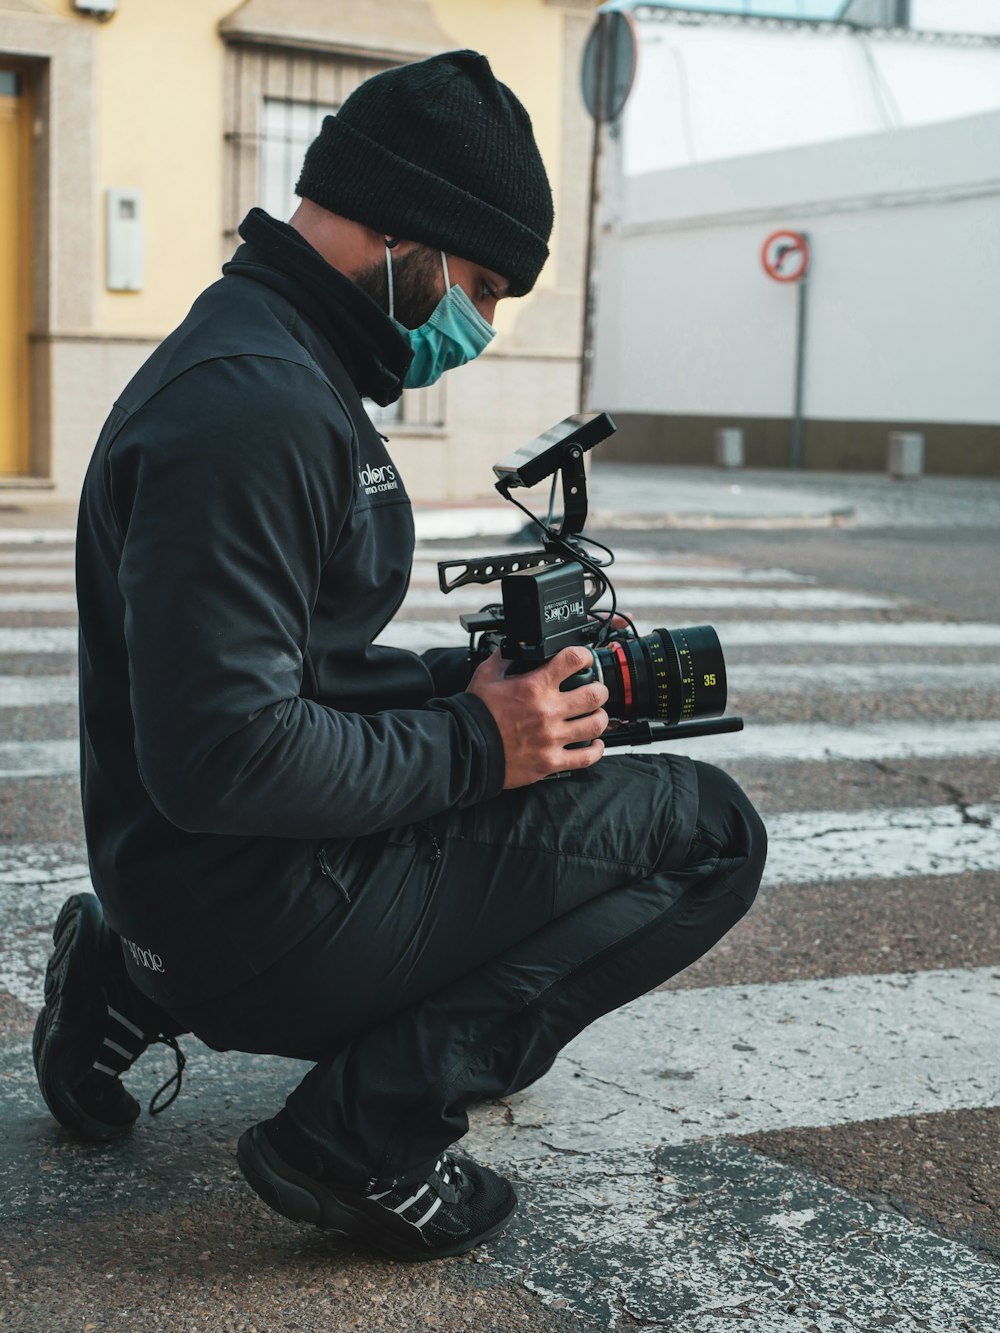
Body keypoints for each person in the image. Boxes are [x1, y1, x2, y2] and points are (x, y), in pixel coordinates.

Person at [33, 50, 766, 1263]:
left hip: (196, 892)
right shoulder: (255, 406)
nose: (474, 326)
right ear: (405, 236)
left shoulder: (272, 358)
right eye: (477, 284)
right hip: (254, 908)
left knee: (558, 771)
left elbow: (289, 671)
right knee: (708, 833)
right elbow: (227, 755)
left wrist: (467, 689)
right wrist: (485, 744)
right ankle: (364, 1132)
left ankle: (122, 977)